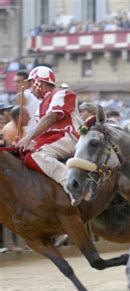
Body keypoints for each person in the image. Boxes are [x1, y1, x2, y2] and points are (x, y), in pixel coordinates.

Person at [15, 66, 82, 203]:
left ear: (39, 82)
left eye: (32, 83)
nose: (31, 88)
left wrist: (28, 138)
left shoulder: (62, 93)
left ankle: (71, 183)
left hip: (68, 136)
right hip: (53, 139)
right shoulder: (41, 105)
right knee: (23, 154)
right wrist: (27, 142)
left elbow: (50, 118)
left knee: (34, 156)